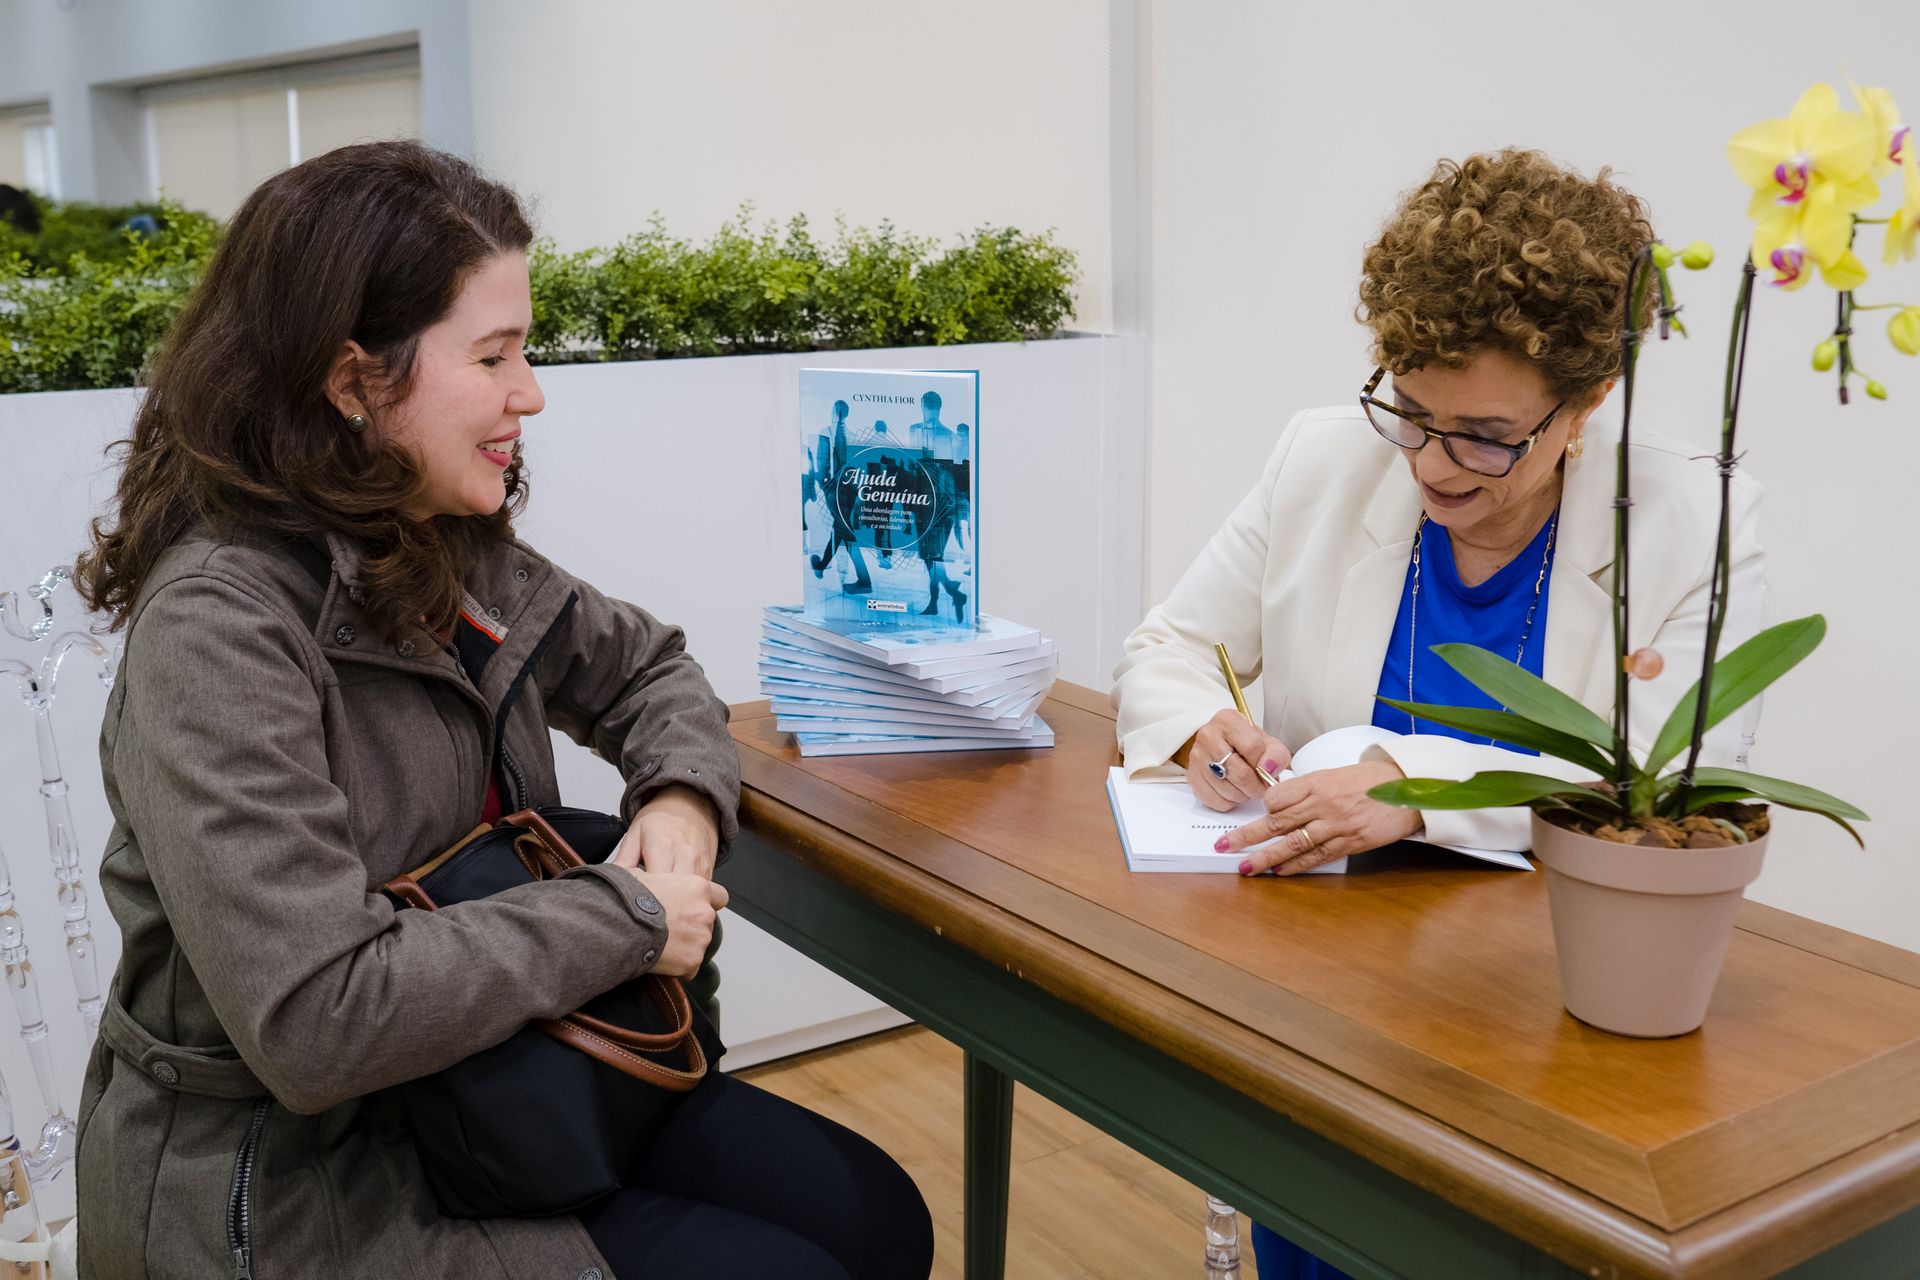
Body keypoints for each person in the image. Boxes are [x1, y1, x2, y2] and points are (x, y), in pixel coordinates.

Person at [72, 141, 933, 1280]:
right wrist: (626, 915)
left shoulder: (437, 538)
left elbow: (649, 670)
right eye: (493, 355)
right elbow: (320, 1018)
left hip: (500, 1084)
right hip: (307, 1183)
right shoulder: (216, 632)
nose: (530, 391)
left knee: (881, 1220)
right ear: (352, 383)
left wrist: (680, 797)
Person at [1110, 148, 1765, 1278]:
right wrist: (1198, 727)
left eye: (1485, 434)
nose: (1433, 463)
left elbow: (1668, 789)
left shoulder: (1689, 522)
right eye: (1410, 411)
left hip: (1553, 1031)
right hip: (1327, 1012)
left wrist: (1411, 789)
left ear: (1588, 402)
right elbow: (1169, 647)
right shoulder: (1325, 459)